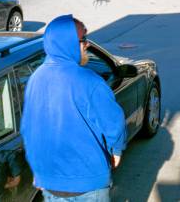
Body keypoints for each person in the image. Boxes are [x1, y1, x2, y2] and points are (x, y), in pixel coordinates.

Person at [21, 14, 127, 201]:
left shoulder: (35, 79)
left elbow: (29, 130)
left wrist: (39, 172)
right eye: (83, 39)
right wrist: (116, 150)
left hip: (50, 183)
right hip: (87, 183)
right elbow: (113, 122)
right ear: (67, 43)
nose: (87, 44)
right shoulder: (88, 80)